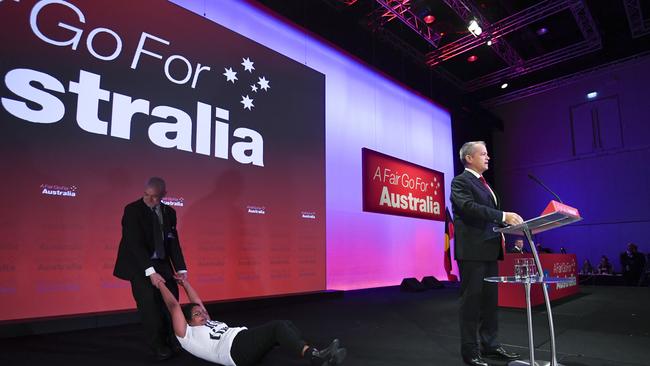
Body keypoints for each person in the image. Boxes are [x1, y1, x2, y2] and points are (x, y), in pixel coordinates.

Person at [154, 277, 346, 366]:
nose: (203, 315)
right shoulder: (186, 334)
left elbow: (197, 303)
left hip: (242, 342)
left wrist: (185, 283)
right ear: (187, 321)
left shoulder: (206, 322)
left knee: (286, 324)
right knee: (278, 327)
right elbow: (173, 306)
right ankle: (315, 357)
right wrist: (161, 283)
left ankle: (319, 355)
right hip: (234, 350)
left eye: (202, 313)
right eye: (197, 315)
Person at [451, 141, 523, 366]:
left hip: (490, 250)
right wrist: (502, 216)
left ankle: (490, 345)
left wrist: (506, 226)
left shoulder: (486, 184)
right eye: (483, 153)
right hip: (473, 252)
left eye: (488, 153)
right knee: (471, 303)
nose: (488, 157)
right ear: (469, 158)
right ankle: (470, 351)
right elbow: (468, 207)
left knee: (490, 303)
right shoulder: (461, 181)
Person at [113, 177, 188, 360]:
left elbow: (172, 242)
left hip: (161, 262)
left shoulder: (169, 212)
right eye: (147, 195)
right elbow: (134, 244)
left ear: (164, 195)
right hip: (140, 265)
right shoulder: (132, 210)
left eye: (154, 197)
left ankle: (173, 340)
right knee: (150, 306)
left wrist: (181, 268)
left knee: (171, 303)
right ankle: (158, 345)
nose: (149, 199)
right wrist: (150, 272)